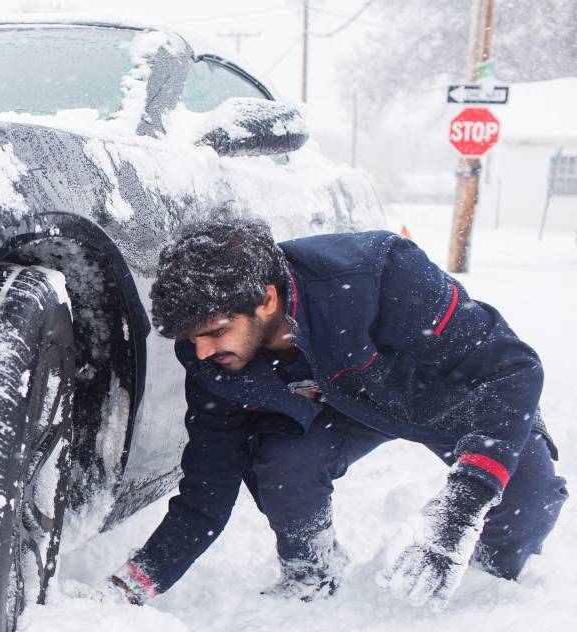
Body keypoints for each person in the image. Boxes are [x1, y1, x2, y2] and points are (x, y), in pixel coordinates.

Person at [109, 216, 566, 609]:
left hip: (452, 398)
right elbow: (207, 486)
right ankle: (311, 572)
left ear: (267, 299)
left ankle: (488, 581)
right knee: (283, 465)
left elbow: (512, 369)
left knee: (528, 497)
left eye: (215, 331)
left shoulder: (380, 276)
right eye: (192, 338)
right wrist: (144, 577)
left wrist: (461, 507)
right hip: (349, 407)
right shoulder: (213, 358)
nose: (202, 351)